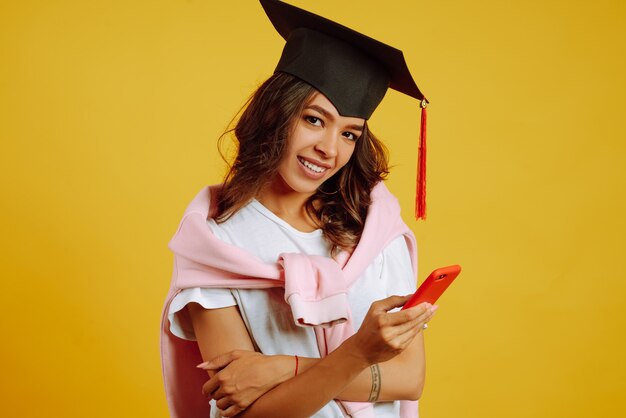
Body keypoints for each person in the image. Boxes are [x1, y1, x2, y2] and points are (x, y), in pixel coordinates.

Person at [160, 1, 435, 417]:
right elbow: (247, 411)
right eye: (313, 120)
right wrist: (358, 354)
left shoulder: (374, 227)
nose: (329, 149)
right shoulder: (215, 242)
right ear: (276, 111)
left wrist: (282, 368)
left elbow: (409, 380)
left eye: (349, 133)